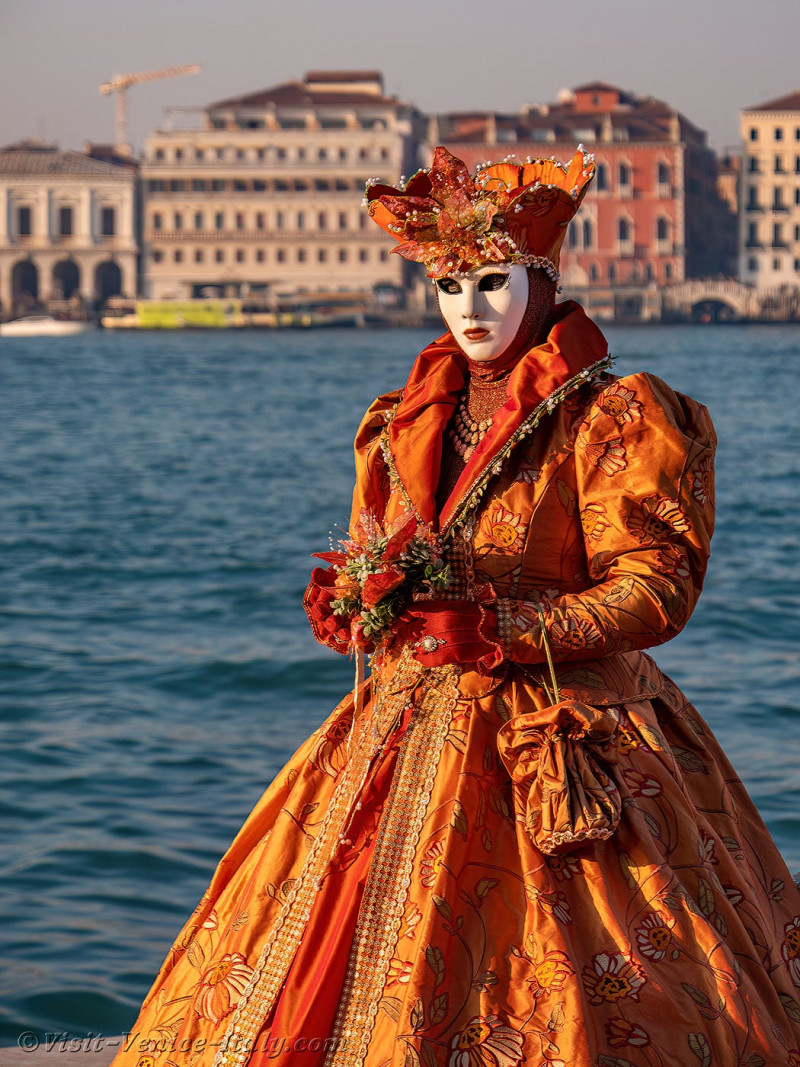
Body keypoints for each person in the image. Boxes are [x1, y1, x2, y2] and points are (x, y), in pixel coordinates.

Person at [112, 148, 800, 1067]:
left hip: (566, 733)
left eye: (491, 282)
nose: (468, 307)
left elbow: (656, 586)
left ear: (541, 281)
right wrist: (360, 600)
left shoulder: (614, 418)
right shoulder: (397, 423)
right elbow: (380, 547)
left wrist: (506, 628)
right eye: (448, 285)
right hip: (406, 720)